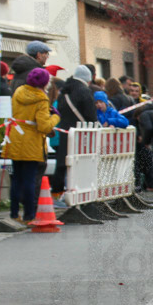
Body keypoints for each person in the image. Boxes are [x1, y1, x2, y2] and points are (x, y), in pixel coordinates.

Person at [2, 67, 59, 223]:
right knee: (29, 180)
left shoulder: (18, 91)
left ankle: (14, 214)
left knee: (16, 179)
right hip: (32, 142)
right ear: (45, 83)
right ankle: (29, 215)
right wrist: (55, 117)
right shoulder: (41, 98)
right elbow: (44, 127)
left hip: (15, 138)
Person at [50, 65, 97, 202]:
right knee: (81, 164)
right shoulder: (84, 91)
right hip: (82, 133)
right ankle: (79, 195)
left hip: (65, 131)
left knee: (62, 163)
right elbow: (90, 115)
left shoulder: (64, 92)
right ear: (87, 79)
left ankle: (57, 194)